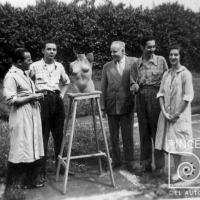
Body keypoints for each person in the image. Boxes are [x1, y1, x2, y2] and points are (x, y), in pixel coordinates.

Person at [3, 48, 44, 189]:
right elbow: (10, 100)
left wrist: (36, 94)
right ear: (19, 62)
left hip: (32, 114)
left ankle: (29, 181)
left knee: (31, 146)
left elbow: (27, 92)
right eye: (28, 60)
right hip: (21, 116)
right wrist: (31, 97)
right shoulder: (11, 76)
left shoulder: (24, 74)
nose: (31, 62)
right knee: (20, 147)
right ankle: (14, 185)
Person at [29, 41, 70, 182]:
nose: (52, 52)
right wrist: (33, 95)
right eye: (49, 49)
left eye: (54, 49)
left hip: (56, 100)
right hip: (42, 100)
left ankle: (62, 169)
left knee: (59, 135)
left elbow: (66, 82)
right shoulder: (34, 66)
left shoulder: (59, 66)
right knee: (43, 137)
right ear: (43, 51)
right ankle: (41, 173)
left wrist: (62, 95)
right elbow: (26, 82)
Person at [130, 35, 168, 174]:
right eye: (149, 46)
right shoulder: (136, 63)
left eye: (153, 46)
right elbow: (132, 81)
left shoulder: (161, 61)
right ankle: (145, 164)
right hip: (140, 98)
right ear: (142, 47)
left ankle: (159, 166)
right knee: (144, 132)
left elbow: (167, 81)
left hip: (157, 97)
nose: (152, 49)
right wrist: (134, 86)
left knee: (157, 131)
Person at [155, 45, 194, 182]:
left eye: (176, 55)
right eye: (171, 55)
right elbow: (160, 94)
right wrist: (164, 112)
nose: (172, 57)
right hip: (166, 115)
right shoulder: (166, 74)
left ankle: (180, 171)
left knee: (178, 144)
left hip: (179, 116)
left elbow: (187, 97)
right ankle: (177, 170)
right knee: (168, 144)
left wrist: (176, 114)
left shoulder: (185, 74)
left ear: (180, 56)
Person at [101, 41, 138, 172]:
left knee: (128, 136)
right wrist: (102, 106)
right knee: (113, 136)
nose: (112, 54)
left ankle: (130, 162)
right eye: (111, 51)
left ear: (123, 50)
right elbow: (103, 88)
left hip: (127, 105)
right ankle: (116, 161)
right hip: (111, 105)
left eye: (115, 51)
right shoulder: (107, 66)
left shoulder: (134, 62)